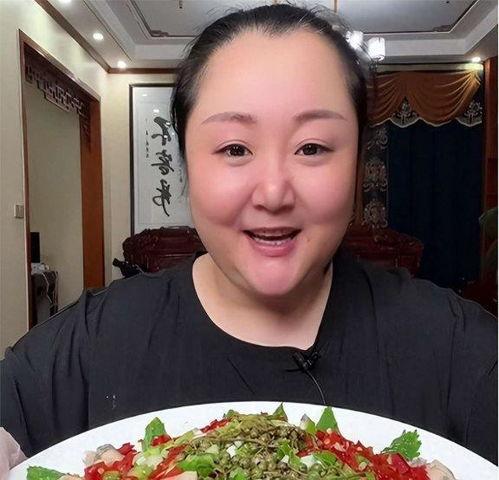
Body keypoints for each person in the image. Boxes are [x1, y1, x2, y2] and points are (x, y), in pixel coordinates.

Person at [1, 3, 497, 471]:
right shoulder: (87, 347)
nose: (274, 192)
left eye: (312, 147)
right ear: (186, 162)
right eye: (235, 149)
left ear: (359, 161)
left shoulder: (458, 348)